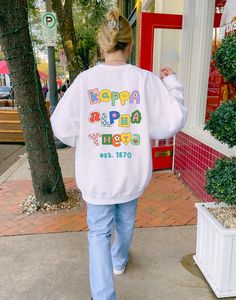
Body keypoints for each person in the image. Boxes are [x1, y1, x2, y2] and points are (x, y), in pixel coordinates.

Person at [50, 9, 187, 300]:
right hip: (130, 176)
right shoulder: (145, 80)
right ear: (130, 45)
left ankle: (104, 295)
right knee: (125, 224)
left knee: (98, 234)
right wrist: (173, 85)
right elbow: (171, 121)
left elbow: (60, 125)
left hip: (97, 178)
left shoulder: (85, 81)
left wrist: (85, 138)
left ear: (101, 47)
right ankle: (119, 260)